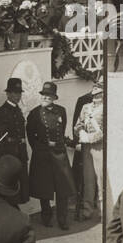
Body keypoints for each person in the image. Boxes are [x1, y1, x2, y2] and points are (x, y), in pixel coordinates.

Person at [27, 81, 77, 229]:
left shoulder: (61, 111)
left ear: (54, 97)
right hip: (42, 154)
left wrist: (58, 144)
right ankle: (46, 217)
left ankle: (62, 219)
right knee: (44, 188)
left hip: (59, 154)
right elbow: (30, 135)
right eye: (44, 95)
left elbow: (62, 131)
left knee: (63, 188)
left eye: (49, 95)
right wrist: (40, 148)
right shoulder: (35, 113)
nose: (45, 98)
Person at [0, 77, 29, 204]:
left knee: (19, 190)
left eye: (19, 93)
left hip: (20, 156)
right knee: (8, 191)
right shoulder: (1, 113)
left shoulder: (18, 111)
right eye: (14, 93)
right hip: (8, 158)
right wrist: (3, 161)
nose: (17, 96)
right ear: (7, 94)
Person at [72, 81, 105, 221]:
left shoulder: (106, 108)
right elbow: (78, 124)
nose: (96, 97)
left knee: (100, 178)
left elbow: (105, 130)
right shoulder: (86, 107)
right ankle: (88, 209)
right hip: (86, 146)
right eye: (94, 94)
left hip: (99, 146)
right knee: (88, 178)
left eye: (99, 94)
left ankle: (103, 209)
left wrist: (90, 137)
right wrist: (81, 134)